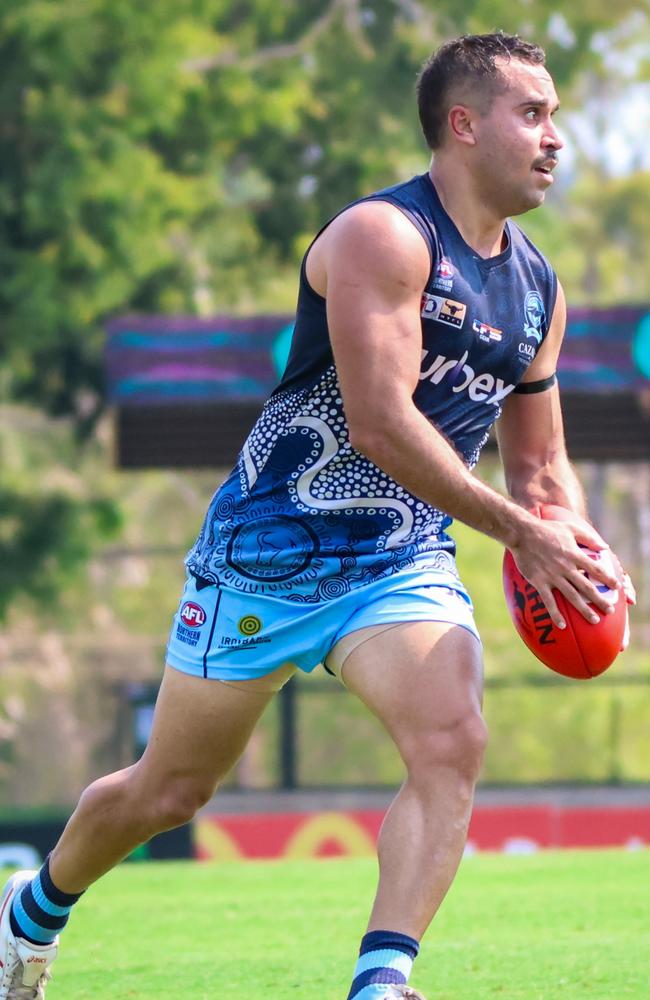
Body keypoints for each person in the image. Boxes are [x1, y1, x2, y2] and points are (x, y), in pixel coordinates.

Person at [0, 30, 635, 1000]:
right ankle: (29, 912)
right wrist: (516, 530)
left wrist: (574, 547)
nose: (555, 139)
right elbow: (380, 424)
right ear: (462, 125)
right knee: (169, 793)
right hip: (263, 556)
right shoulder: (383, 237)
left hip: (398, 561)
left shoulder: (537, 287)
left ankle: (381, 979)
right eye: (532, 114)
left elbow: (540, 466)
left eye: (555, 116)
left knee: (450, 735)